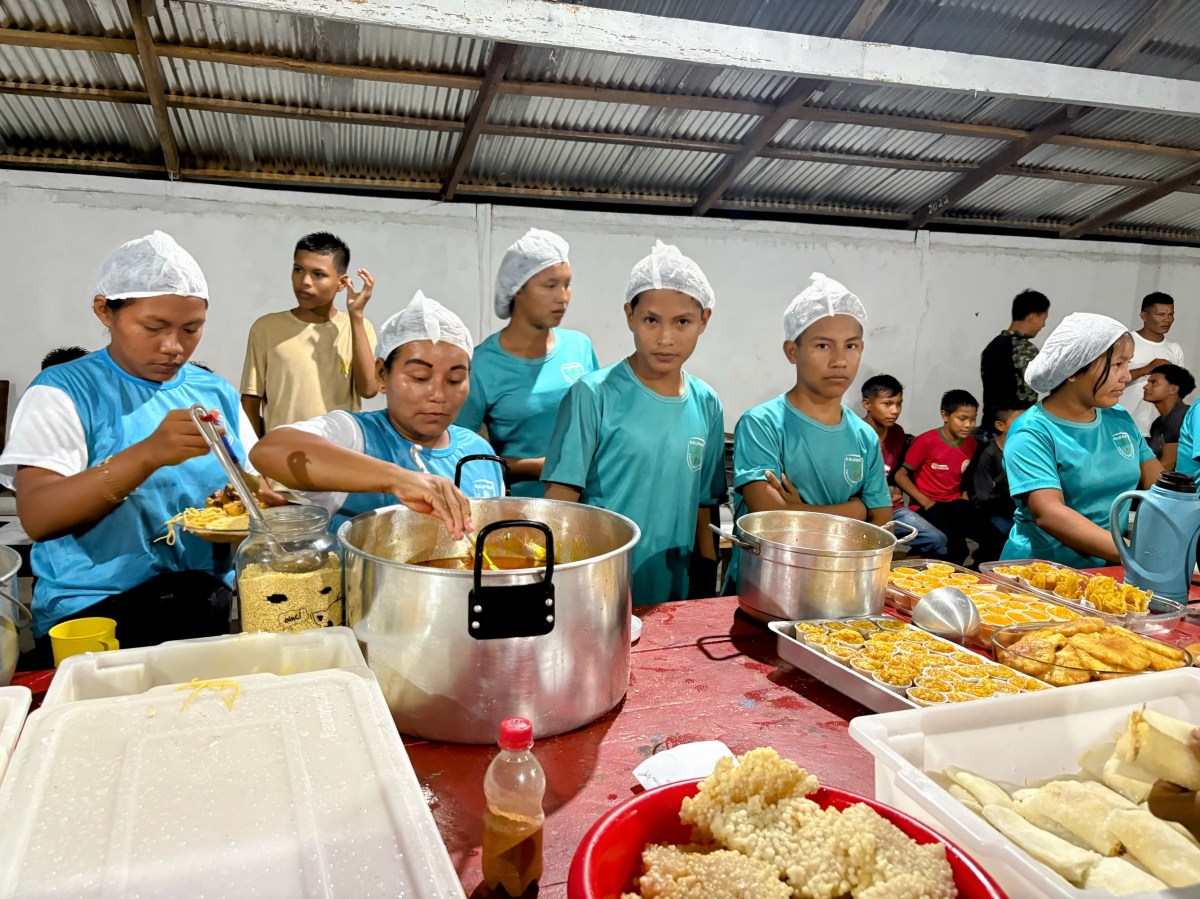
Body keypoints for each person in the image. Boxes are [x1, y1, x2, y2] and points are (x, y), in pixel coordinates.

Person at [0, 232, 258, 663]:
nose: (174, 346)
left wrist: (260, 498)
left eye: (191, 329)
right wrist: (147, 453)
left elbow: (247, 484)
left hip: (201, 603)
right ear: (106, 311)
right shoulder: (64, 390)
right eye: (154, 327)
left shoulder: (214, 393)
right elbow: (39, 516)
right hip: (94, 615)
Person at [542, 241, 725, 605]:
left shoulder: (707, 403)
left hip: (674, 589)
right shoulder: (593, 395)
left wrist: (706, 576)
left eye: (682, 322)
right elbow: (561, 503)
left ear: (704, 320)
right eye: (651, 320)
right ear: (630, 316)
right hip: (599, 589)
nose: (665, 338)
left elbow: (705, 504)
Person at [250, 292, 491, 534]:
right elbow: (270, 450)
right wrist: (399, 479)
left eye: (454, 379)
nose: (438, 394)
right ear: (381, 375)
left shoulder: (479, 452)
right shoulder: (356, 437)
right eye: (420, 378)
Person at [725, 275, 891, 590]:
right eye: (823, 345)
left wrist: (797, 509)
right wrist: (855, 509)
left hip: (840, 589)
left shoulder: (865, 437)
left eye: (851, 346)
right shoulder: (763, 424)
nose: (840, 360)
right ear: (792, 351)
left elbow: (880, 523)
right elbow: (772, 521)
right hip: (764, 589)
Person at [1002, 313, 1161, 568]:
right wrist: (1135, 555)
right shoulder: (1032, 432)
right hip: (1042, 575)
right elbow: (1050, 513)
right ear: (1074, 370)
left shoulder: (1118, 418)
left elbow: (1159, 485)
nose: (1127, 377)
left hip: (1108, 571)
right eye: (1117, 365)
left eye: (1127, 364)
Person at [456, 229, 598, 497]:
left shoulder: (580, 348)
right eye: (550, 285)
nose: (563, 297)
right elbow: (460, 453)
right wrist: (539, 468)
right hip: (522, 512)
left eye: (567, 284)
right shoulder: (481, 366)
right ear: (516, 288)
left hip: (588, 506)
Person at [240, 232, 379, 436]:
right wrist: (252, 462)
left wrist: (356, 315)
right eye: (298, 270)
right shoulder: (266, 328)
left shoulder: (359, 328)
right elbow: (250, 402)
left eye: (318, 274)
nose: (304, 281)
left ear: (341, 283)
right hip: (281, 459)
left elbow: (368, 390)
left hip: (340, 457)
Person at [894, 390, 1006, 566]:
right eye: (962, 419)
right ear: (945, 415)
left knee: (995, 539)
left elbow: (966, 476)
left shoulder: (972, 444)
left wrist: (964, 496)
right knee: (957, 549)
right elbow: (901, 475)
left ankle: (978, 578)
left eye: (973, 419)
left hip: (955, 503)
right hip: (929, 505)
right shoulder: (926, 441)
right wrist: (925, 502)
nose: (968, 425)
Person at [860, 375, 949, 560]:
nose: (895, 411)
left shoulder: (897, 433)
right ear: (867, 404)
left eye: (898, 404)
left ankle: (894, 575)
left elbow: (896, 469)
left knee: (937, 541)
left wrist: (897, 489)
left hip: (891, 507)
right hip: (859, 509)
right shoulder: (853, 433)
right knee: (870, 551)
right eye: (887, 404)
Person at [980, 289, 1050, 436]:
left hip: (989, 427)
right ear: (1031, 317)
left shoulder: (991, 347)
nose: (1043, 325)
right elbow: (1040, 385)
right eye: (1043, 319)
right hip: (1014, 430)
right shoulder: (1024, 348)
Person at [1120, 292, 1185, 438]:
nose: (1167, 320)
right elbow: (1106, 381)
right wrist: (1146, 369)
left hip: (1158, 430)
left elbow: (1178, 391)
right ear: (1144, 316)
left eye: (1171, 315)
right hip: (1123, 425)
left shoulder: (1174, 348)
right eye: (1161, 314)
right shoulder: (1125, 342)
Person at [971, 405, 1030, 537]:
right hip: (994, 513)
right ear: (1000, 426)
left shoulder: (1026, 450)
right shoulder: (987, 454)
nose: (1027, 424)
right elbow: (984, 497)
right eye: (1019, 420)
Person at [1144, 363, 1194, 471]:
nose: (1146, 386)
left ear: (1173, 389)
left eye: (1154, 383)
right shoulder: (1157, 423)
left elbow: (1167, 464)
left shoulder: (1180, 417)